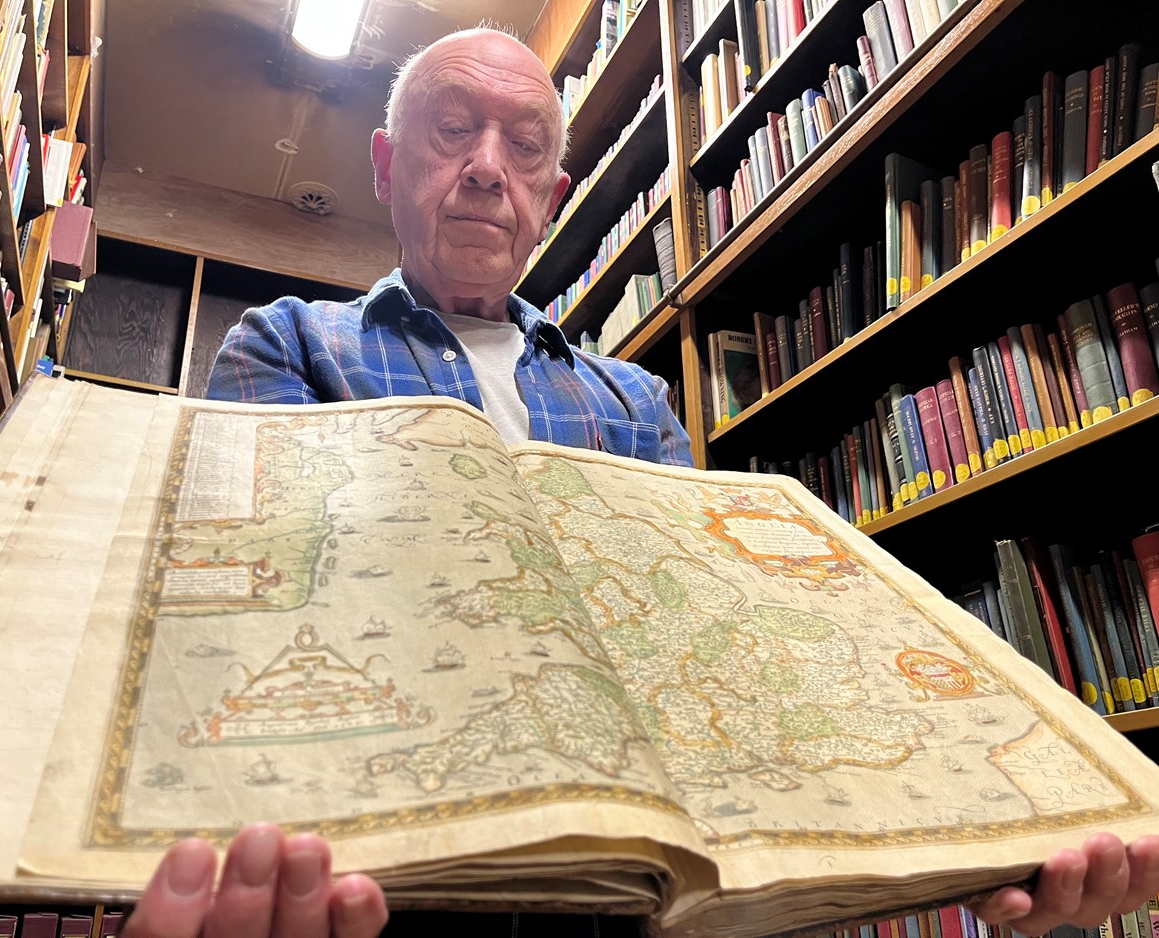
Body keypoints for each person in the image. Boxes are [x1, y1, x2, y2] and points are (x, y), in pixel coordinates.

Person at [127, 25, 1159, 938]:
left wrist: (992, 832)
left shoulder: (635, 402)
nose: (489, 167)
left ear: (551, 197)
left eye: (525, 146)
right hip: (385, 879)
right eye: (452, 130)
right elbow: (250, 616)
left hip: (637, 895)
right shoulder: (288, 342)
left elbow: (711, 650)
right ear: (388, 166)